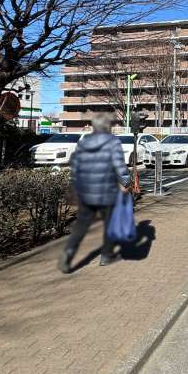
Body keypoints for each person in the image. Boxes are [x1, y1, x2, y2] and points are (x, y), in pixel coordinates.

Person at [58, 114, 131, 273]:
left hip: (86, 191)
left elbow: (75, 167)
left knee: (81, 225)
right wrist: (126, 183)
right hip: (107, 192)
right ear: (107, 126)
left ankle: (68, 253)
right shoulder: (113, 142)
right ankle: (106, 256)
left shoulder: (84, 142)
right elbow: (119, 166)